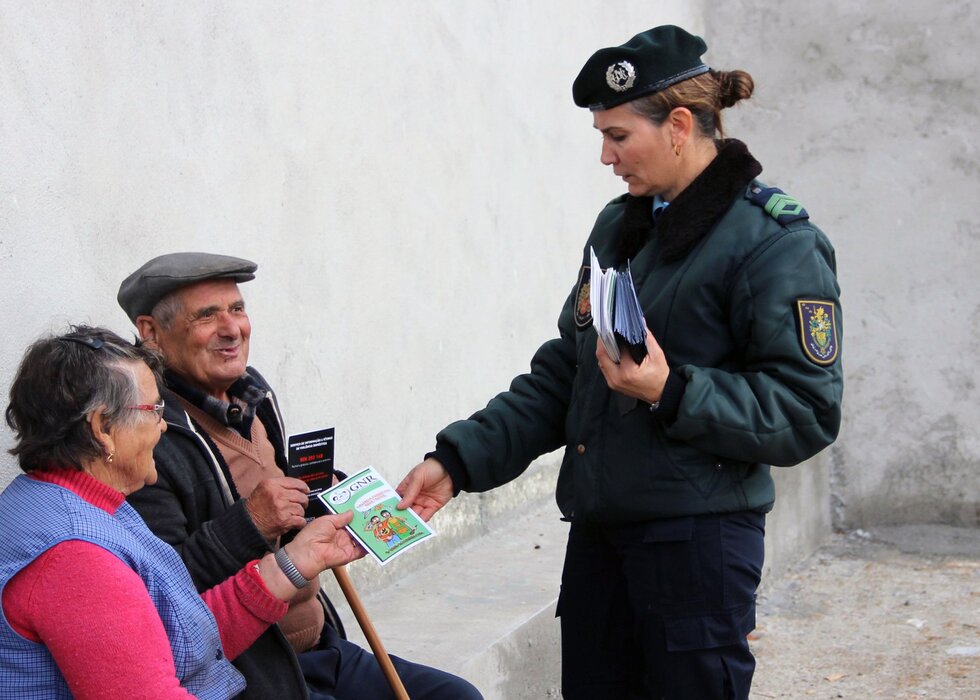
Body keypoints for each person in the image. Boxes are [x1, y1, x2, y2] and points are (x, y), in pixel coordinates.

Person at [396, 25, 844, 700]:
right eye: (601, 137)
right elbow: (564, 373)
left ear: (680, 125)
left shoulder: (774, 244)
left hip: (697, 550)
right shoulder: (621, 226)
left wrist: (673, 390)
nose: (606, 156)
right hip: (602, 542)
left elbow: (806, 411)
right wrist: (458, 462)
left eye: (618, 136)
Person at [117, 252, 482, 700]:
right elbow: (165, 594)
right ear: (151, 332)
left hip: (322, 648)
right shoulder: (147, 436)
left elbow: (280, 502)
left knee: (456, 696)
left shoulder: (252, 393)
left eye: (237, 309)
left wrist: (329, 497)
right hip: (250, 675)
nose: (232, 329)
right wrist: (250, 523)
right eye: (207, 315)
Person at [0, 326, 363, 699]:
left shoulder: (60, 500)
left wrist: (297, 561)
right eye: (154, 409)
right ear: (102, 429)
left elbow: (179, 640)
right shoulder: (76, 557)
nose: (162, 425)